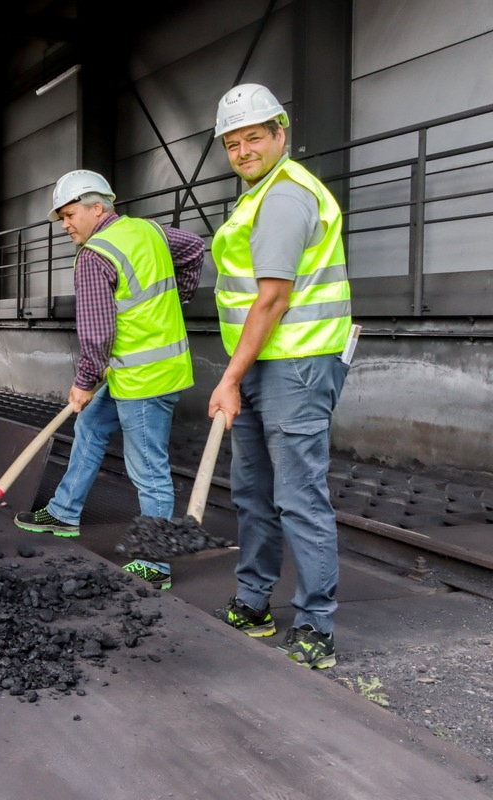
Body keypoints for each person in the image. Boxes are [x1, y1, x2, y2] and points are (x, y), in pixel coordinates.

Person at [206, 83, 353, 669]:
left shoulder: (287, 198)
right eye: (232, 142)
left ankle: (316, 625)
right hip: (264, 363)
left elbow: (271, 299)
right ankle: (254, 601)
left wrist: (226, 378)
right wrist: (240, 375)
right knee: (251, 491)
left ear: (279, 134)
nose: (243, 150)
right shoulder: (256, 197)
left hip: (295, 366)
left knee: (298, 496)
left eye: (253, 138)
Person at [14, 170, 206, 591]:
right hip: (145, 369)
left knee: (148, 469)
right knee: (90, 426)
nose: (66, 225)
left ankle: (155, 563)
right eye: (62, 217)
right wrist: (181, 294)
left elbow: (97, 332)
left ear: (96, 207)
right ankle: (64, 512)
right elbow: (193, 247)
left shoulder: (95, 254)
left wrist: (83, 380)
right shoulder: (148, 231)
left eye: (70, 215)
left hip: (141, 379)